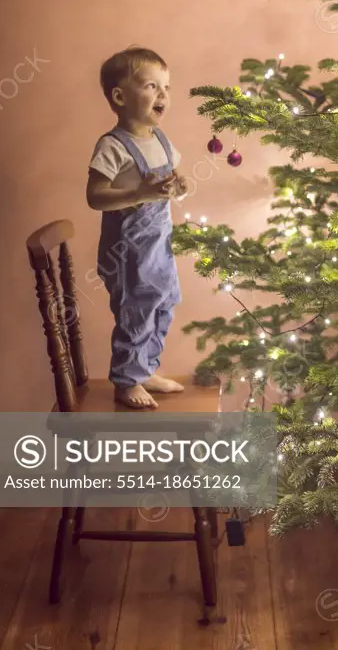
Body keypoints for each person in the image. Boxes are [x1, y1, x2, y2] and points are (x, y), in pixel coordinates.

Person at [86, 46, 189, 410]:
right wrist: (139, 192)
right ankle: (127, 380)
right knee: (137, 310)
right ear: (120, 96)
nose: (162, 95)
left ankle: (145, 368)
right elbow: (96, 196)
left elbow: (167, 181)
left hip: (159, 246)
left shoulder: (161, 139)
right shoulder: (113, 146)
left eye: (166, 87)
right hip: (127, 252)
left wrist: (178, 185)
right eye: (151, 86)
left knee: (165, 304)